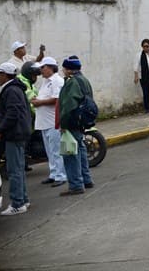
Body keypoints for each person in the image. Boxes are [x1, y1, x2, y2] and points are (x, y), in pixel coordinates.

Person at [0, 62, 31, 215]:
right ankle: (23, 199)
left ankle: (17, 203)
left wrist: (0, 130)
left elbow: (12, 113)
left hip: (14, 134)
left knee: (14, 170)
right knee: (18, 169)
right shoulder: (15, 88)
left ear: (5, 75)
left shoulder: (11, 90)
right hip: (18, 133)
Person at [58, 56, 94, 195]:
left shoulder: (72, 82)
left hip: (73, 122)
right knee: (81, 149)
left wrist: (64, 124)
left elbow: (68, 105)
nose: (63, 70)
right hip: (82, 120)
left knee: (70, 153)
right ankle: (86, 179)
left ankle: (76, 185)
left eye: (64, 68)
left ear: (68, 69)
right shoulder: (84, 80)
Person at [31, 57, 67, 187]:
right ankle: (53, 173)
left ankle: (61, 175)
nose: (41, 70)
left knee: (56, 150)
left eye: (43, 67)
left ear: (50, 67)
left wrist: (39, 102)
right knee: (49, 151)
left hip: (53, 122)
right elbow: (46, 97)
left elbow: (56, 100)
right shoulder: (46, 82)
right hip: (44, 122)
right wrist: (37, 99)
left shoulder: (57, 81)